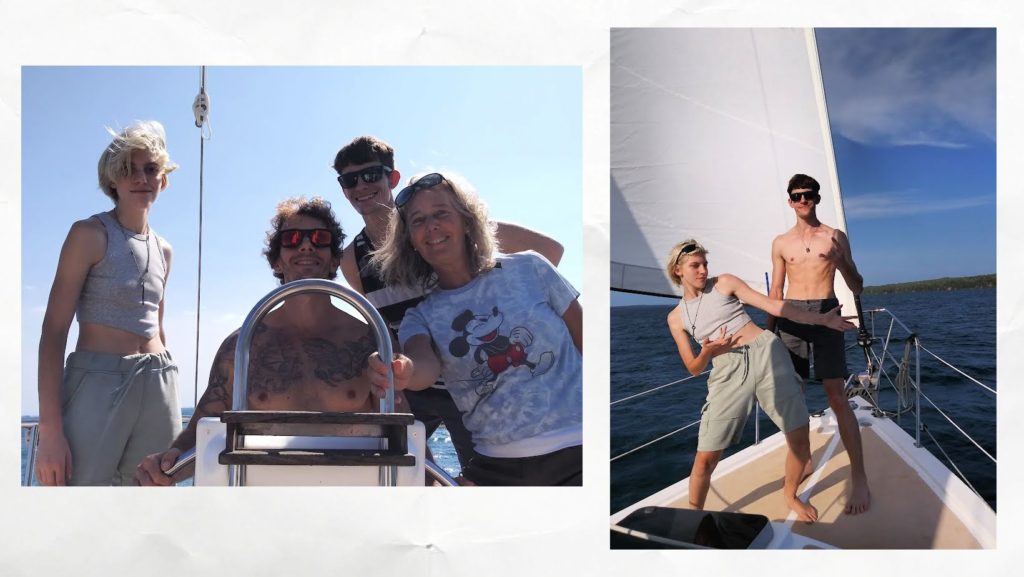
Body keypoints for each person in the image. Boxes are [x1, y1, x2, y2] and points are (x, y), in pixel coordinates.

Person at [134, 196, 411, 485]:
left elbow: (404, 431)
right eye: (292, 239)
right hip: (262, 507)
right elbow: (202, 433)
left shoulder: (372, 340)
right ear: (276, 259)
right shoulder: (241, 349)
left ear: (334, 258)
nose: (306, 246)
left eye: (319, 238)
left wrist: (437, 487)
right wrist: (167, 460)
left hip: (354, 501)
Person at [333, 135, 564, 473]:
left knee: (484, 475)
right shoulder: (352, 261)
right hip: (414, 385)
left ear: (392, 179)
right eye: (350, 180)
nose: (361, 186)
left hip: (472, 384)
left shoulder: (441, 228)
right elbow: (384, 326)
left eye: (371, 175)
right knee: (407, 472)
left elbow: (550, 251)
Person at [368, 172, 582, 486]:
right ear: (410, 241)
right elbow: (422, 366)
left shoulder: (531, 268)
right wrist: (403, 370)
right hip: (496, 469)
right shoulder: (421, 316)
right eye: (418, 220)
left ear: (468, 221)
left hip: (581, 447)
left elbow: (589, 339)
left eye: (441, 213)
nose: (432, 226)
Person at [666, 239, 857, 522]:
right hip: (726, 370)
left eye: (705, 264)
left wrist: (820, 321)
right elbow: (694, 368)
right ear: (678, 270)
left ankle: (790, 493)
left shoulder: (725, 283)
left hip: (767, 353)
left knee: (799, 437)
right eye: (695, 266)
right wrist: (708, 350)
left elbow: (774, 306)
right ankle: (694, 517)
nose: (703, 270)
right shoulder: (676, 318)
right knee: (706, 455)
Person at [36, 120, 182, 486]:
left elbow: (157, 326)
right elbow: (54, 332)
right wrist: (51, 433)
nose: (141, 178)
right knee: (81, 503)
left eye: (150, 169)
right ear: (111, 180)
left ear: (163, 178)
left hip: (158, 381)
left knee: (154, 498)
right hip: (98, 382)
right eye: (128, 169)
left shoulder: (164, 250)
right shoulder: (88, 234)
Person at [768, 173, 870, 515]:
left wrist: (841, 261)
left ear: (817, 198)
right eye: (796, 195)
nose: (803, 200)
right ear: (789, 200)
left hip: (827, 313)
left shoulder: (835, 236)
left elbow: (857, 286)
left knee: (836, 396)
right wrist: (769, 331)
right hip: (791, 316)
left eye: (808, 195)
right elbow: (776, 290)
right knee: (792, 398)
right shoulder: (781, 242)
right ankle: (804, 459)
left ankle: (859, 477)